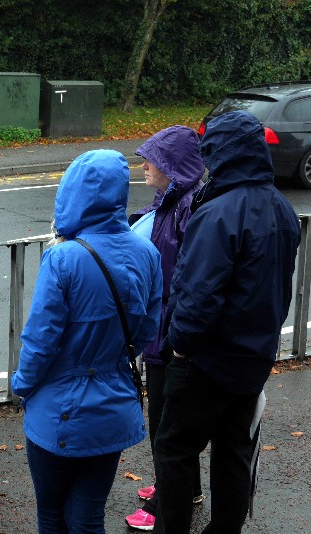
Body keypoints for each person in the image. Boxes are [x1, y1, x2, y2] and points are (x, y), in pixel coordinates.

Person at [153, 110, 300, 534]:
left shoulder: (219, 212)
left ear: (222, 152)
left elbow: (198, 292)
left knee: (174, 448)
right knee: (234, 450)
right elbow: (280, 287)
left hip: (208, 359)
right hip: (253, 357)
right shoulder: (281, 207)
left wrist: (180, 346)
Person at [11, 149, 162, 532]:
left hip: (58, 410)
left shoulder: (63, 258)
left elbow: (40, 341)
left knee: (51, 513)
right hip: (113, 407)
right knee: (89, 514)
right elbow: (147, 329)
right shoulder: (147, 252)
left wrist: (22, 386)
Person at [124, 126, 206, 530]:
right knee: (172, 421)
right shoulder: (171, 201)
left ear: (172, 166)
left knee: (166, 426)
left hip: (171, 333)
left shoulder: (187, 207)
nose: (144, 167)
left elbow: (183, 275)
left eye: (152, 160)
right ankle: (186, 488)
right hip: (164, 327)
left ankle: (165, 504)